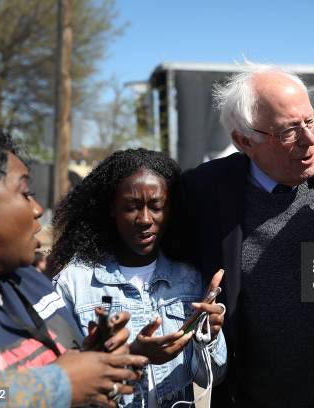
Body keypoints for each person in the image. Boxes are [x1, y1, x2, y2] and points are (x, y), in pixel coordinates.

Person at [179, 62, 314, 407]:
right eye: (288, 131)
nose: (309, 140)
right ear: (243, 140)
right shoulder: (205, 190)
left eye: (311, 121)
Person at [0, 119, 148, 407]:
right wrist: (53, 387)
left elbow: (67, 362)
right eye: (25, 193)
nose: (38, 209)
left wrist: (97, 359)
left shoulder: (30, 280)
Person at [49, 148, 227, 408]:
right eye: (132, 207)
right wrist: (132, 355)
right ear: (111, 208)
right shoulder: (74, 283)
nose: (145, 219)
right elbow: (58, 383)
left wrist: (209, 336)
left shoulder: (190, 279)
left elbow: (214, 375)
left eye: (156, 207)